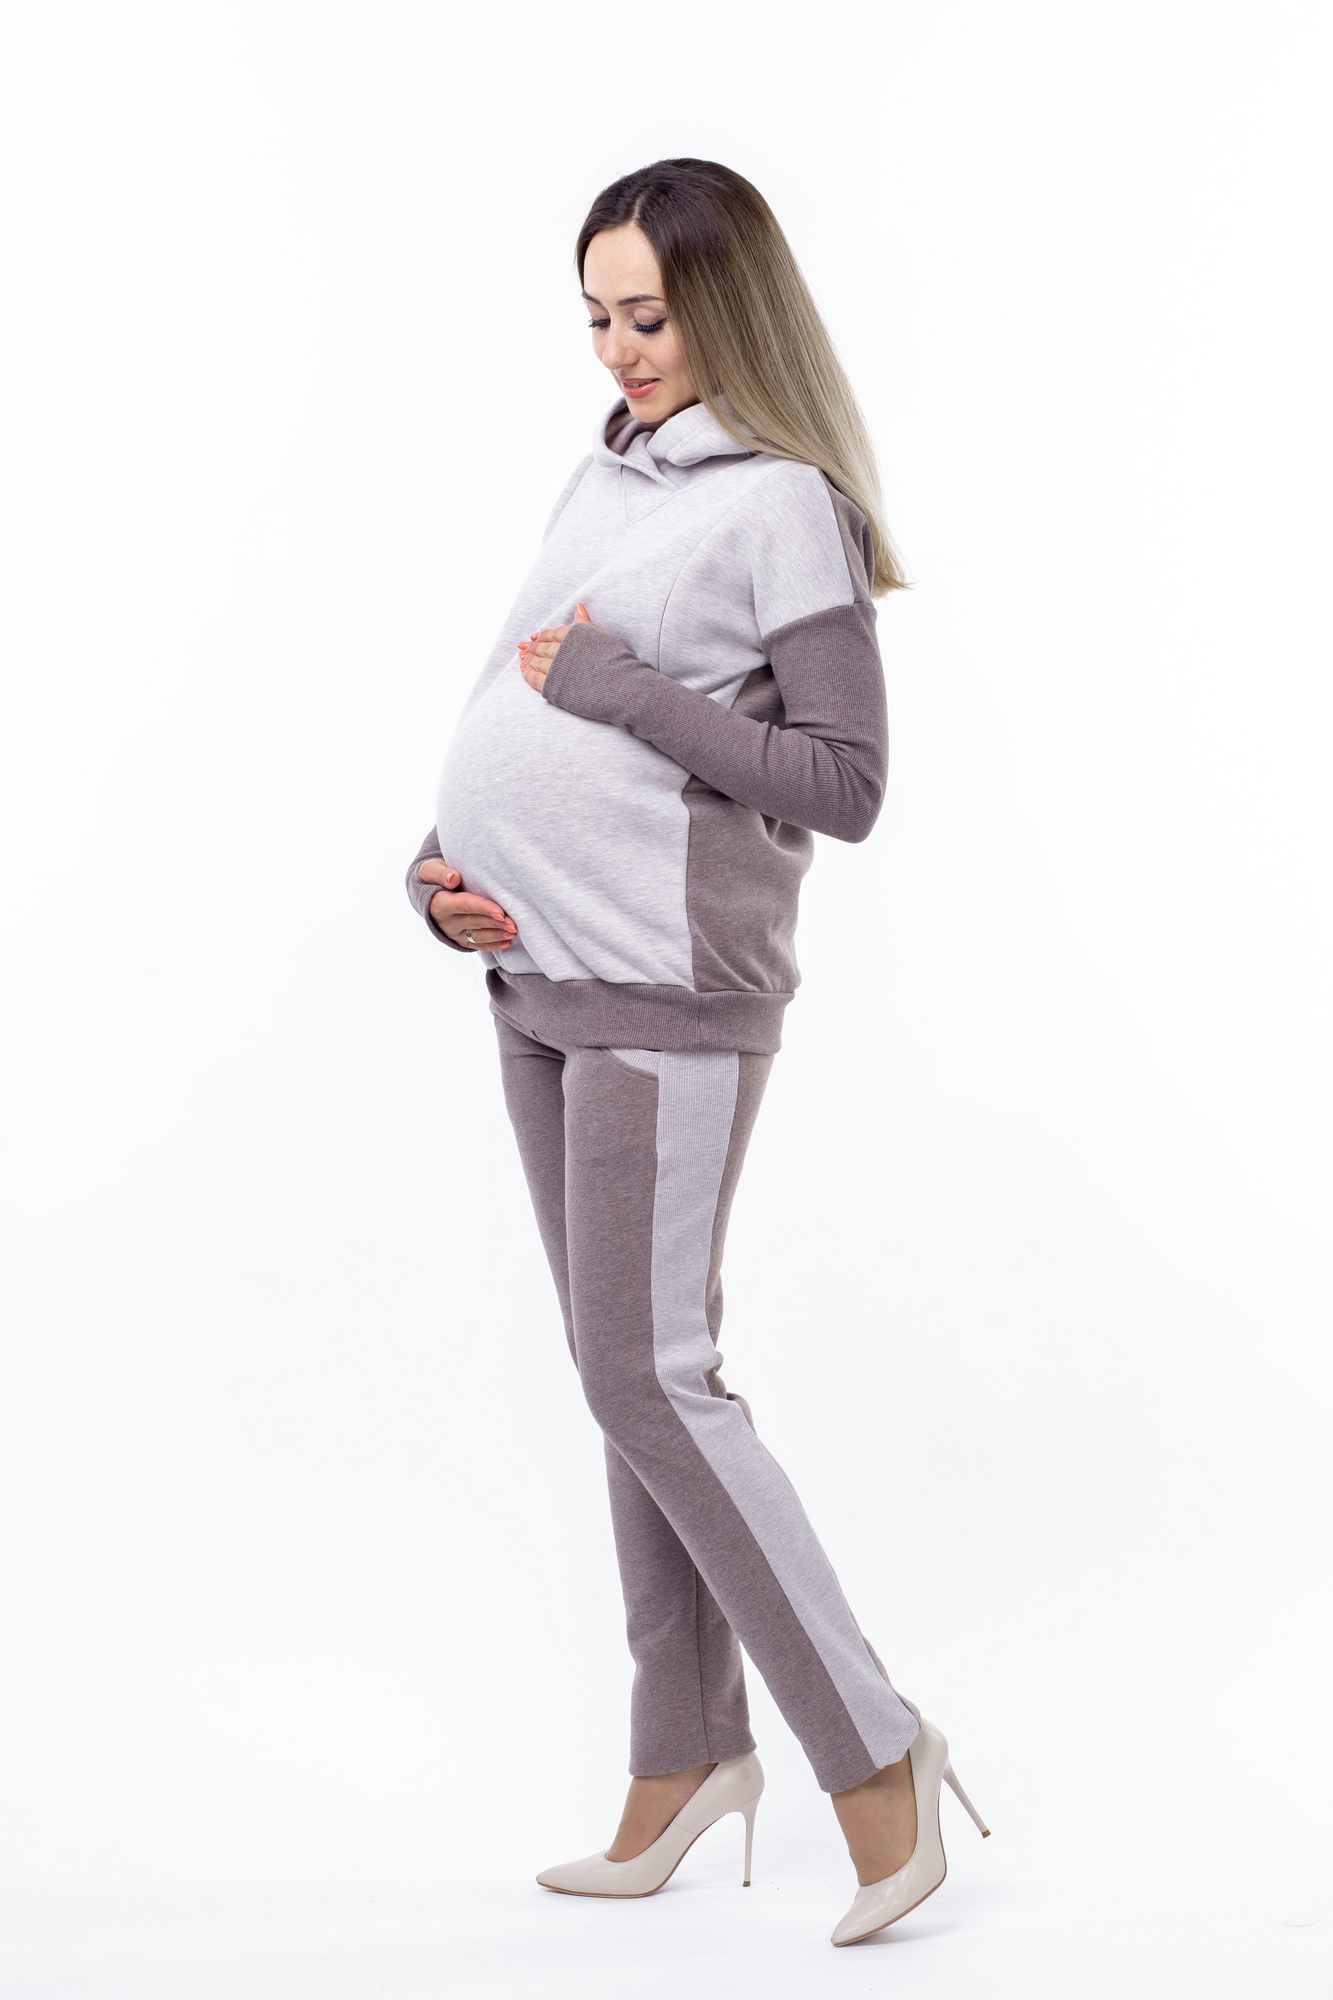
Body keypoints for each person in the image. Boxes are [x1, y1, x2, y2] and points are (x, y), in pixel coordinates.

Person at [405, 158, 988, 1948]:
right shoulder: (606, 472)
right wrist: (440, 869)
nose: (617, 346)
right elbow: (509, 694)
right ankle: (681, 1757)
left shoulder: (785, 508)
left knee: (653, 1374)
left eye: (647, 314)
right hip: (538, 975)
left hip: (668, 987)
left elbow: (844, 783)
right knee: (625, 1383)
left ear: (727, 306)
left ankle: (872, 1750)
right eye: (595, 315)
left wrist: (622, 695)